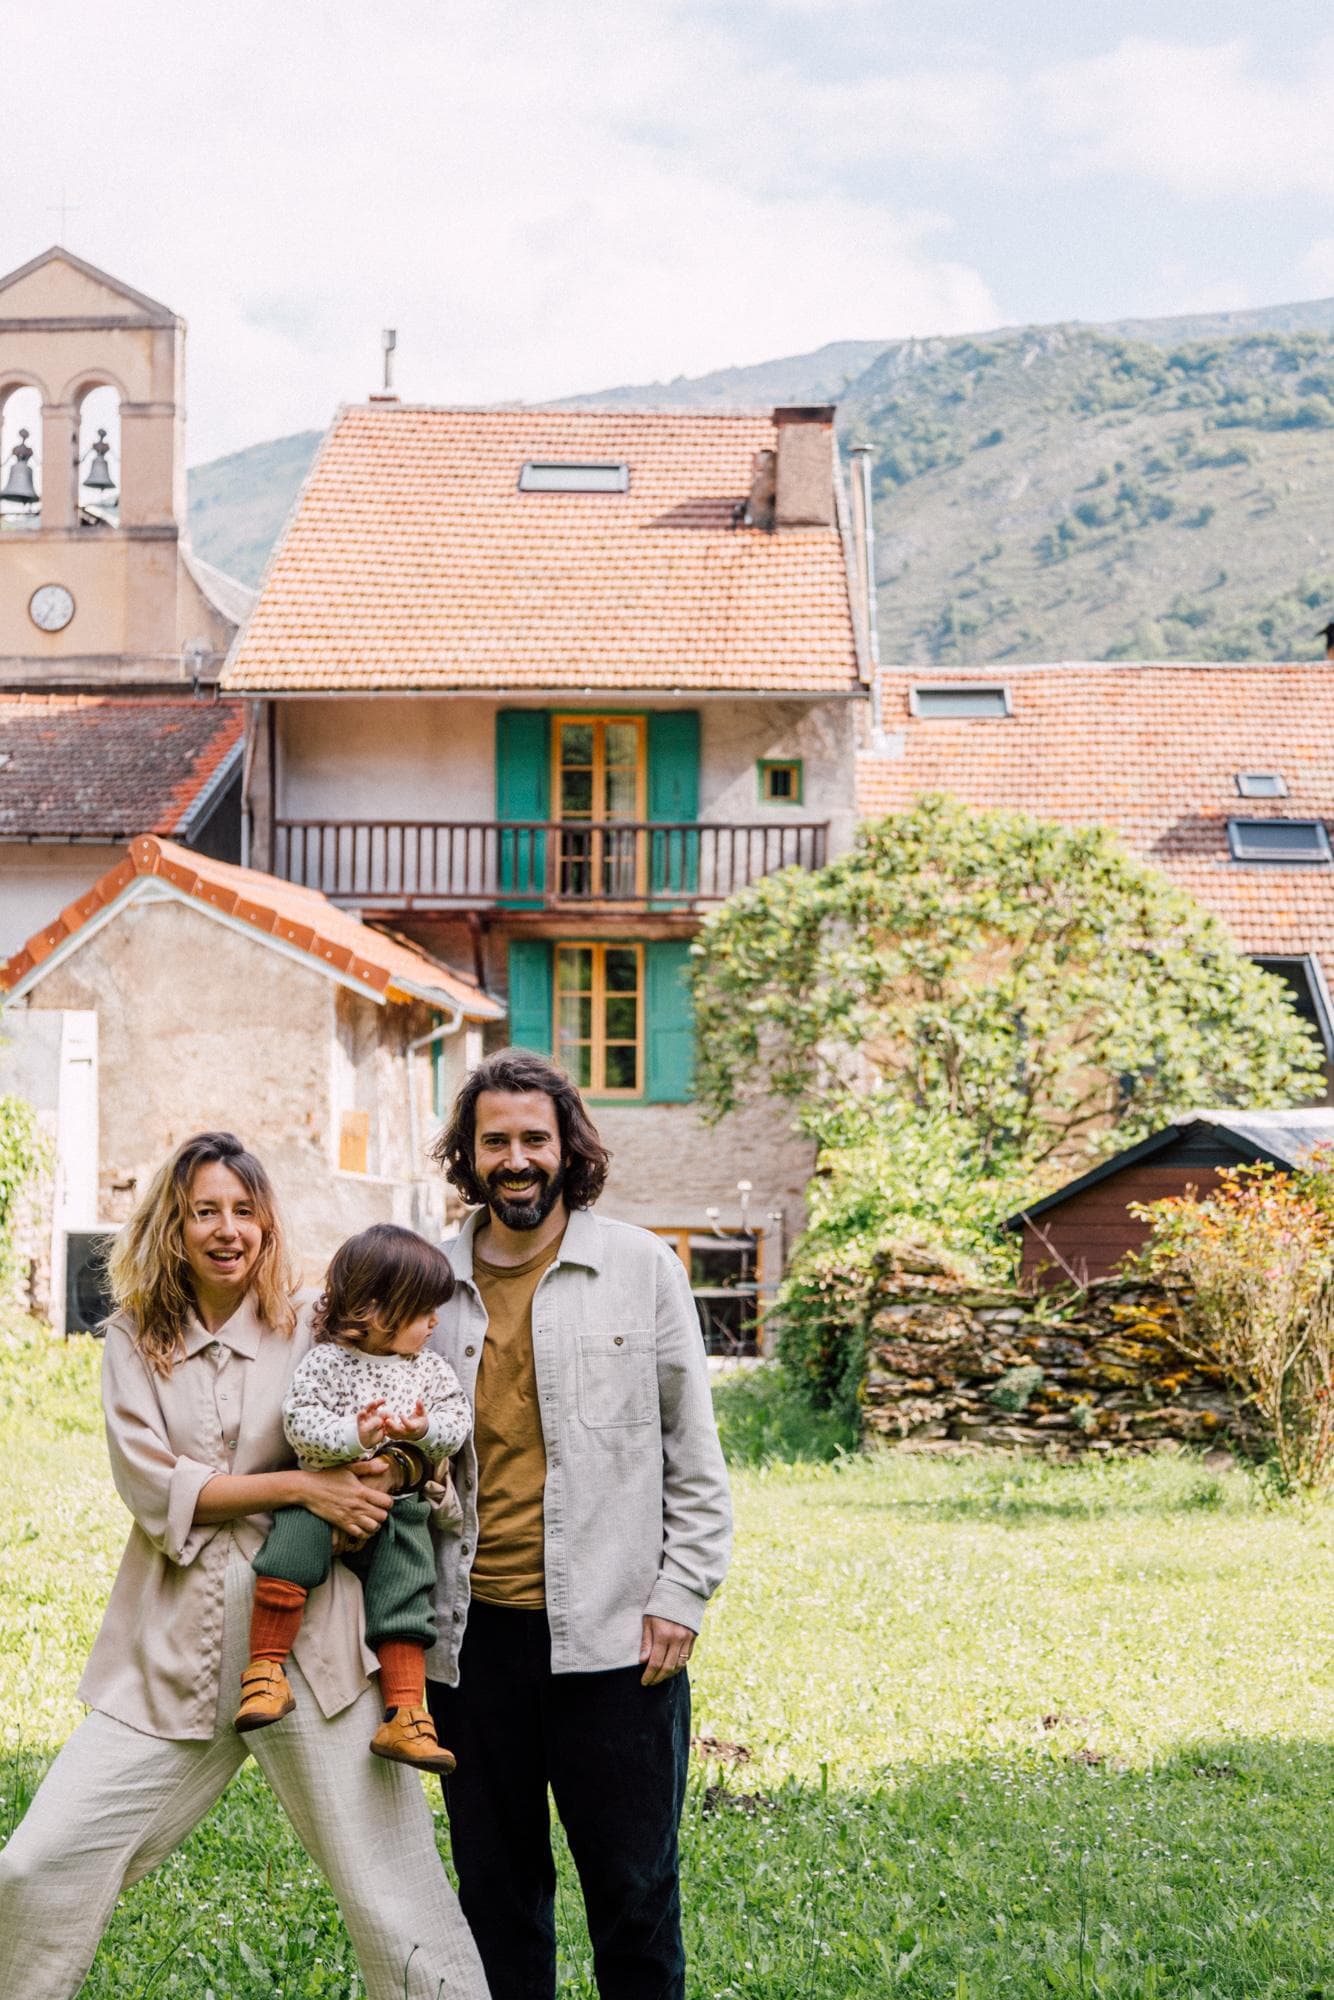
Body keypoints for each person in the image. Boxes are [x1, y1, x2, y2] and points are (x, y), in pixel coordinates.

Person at [0, 1132, 489, 2000]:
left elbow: (410, 1416)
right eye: (204, 1212)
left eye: (243, 1211)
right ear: (173, 1226)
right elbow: (152, 1485)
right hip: (168, 1644)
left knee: (397, 1898)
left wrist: (381, 1478)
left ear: (266, 1224)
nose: (227, 1230)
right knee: (35, 1865)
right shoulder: (131, 1340)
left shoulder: (314, 1325)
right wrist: (305, 1483)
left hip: (315, 1646)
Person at [424, 1049, 733, 2000]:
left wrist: (680, 1594)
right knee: (498, 1899)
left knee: (634, 1898)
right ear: (468, 1157)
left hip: (615, 1643)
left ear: (568, 1149)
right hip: (470, 1646)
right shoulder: (425, 1280)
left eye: (533, 1139)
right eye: (495, 1142)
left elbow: (696, 1454)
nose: (515, 1160)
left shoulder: (641, 1267)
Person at [236, 1222, 470, 1776]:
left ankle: (406, 1714)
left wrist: (423, 1428)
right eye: (421, 1311)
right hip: (319, 1496)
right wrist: (353, 1436)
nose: (434, 1322)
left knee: (405, 1590)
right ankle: (265, 1672)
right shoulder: (326, 1362)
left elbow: (458, 1424)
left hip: (395, 1511)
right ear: (373, 1311)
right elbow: (300, 1423)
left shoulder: (429, 1371)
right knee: (287, 1554)